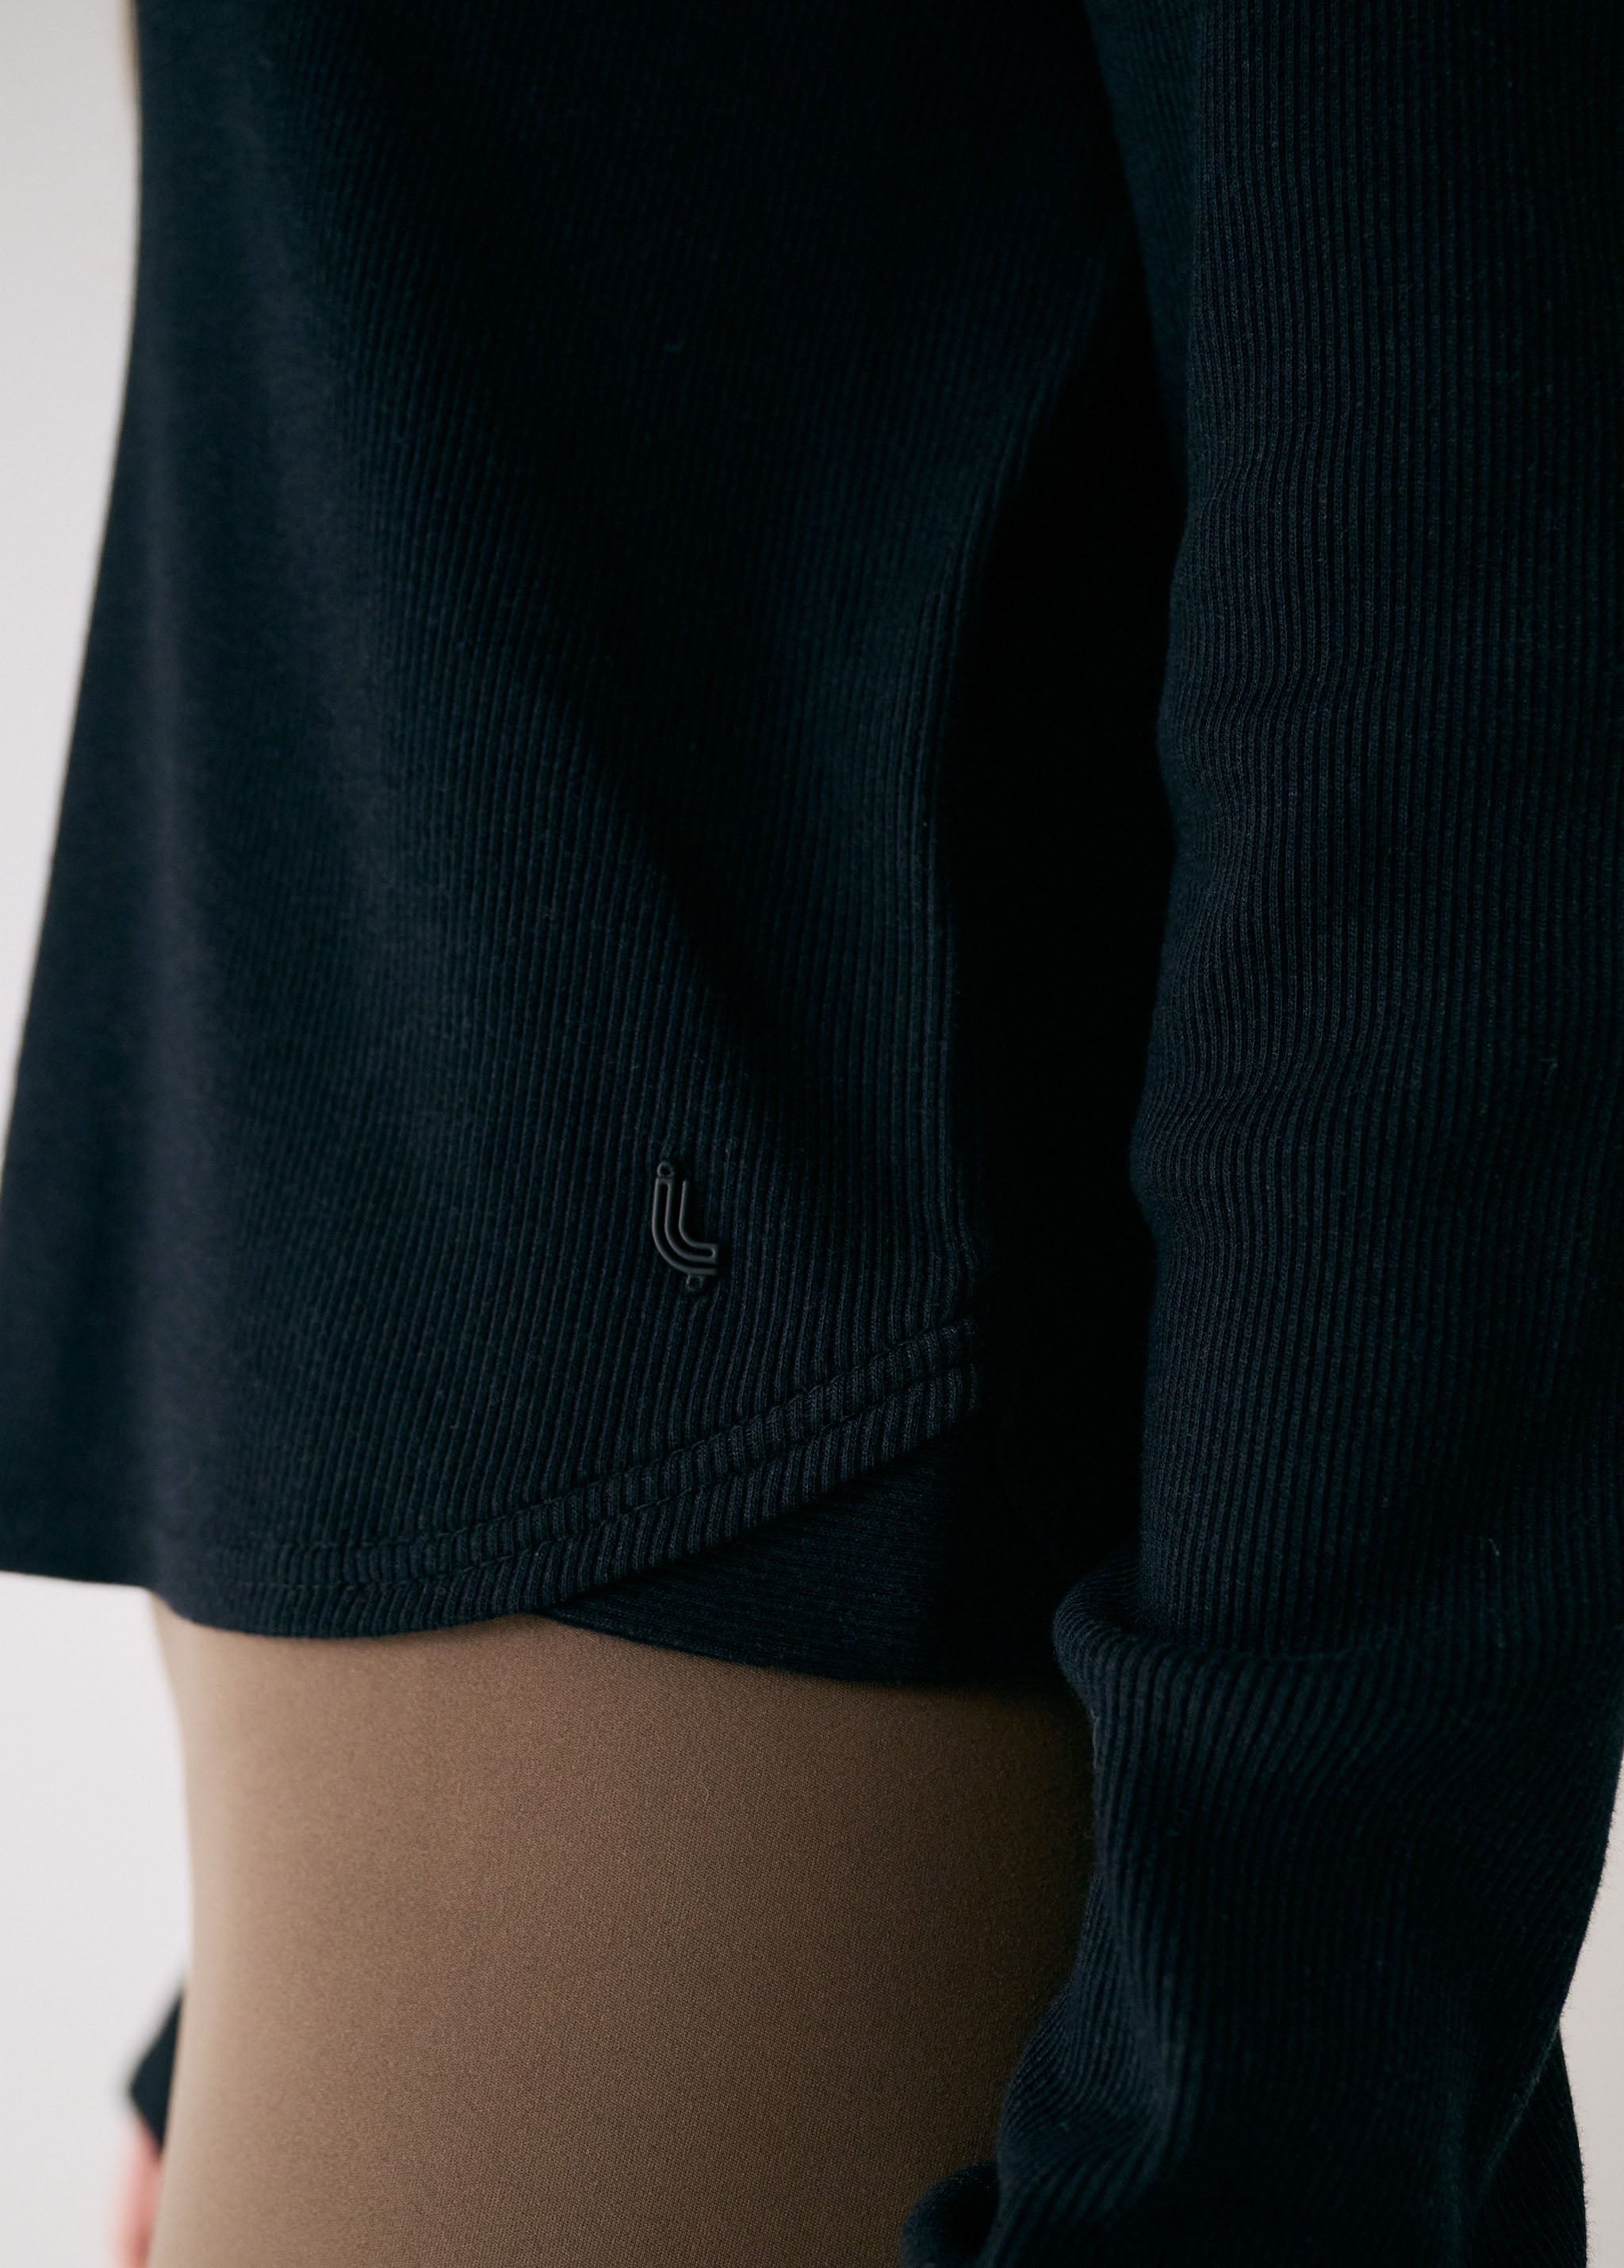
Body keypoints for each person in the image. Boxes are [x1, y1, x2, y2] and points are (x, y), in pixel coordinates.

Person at [2, 2, 1621, 2262]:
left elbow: (1448, 645)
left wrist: (1247, 2137)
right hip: (396, 1714)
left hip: (798, 1708)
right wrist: (268, 1993)